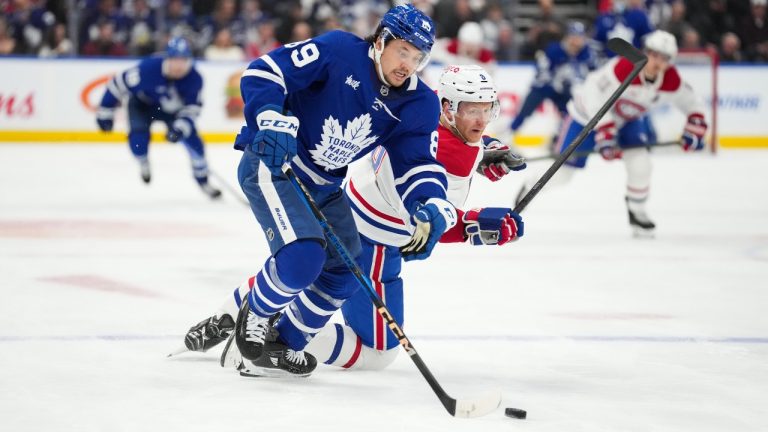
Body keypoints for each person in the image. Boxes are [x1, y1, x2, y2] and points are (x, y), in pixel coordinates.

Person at [179, 64, 527, 372]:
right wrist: (476, 226)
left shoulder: (420, 113)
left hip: (349, 210)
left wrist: (482, 152)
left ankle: (229, 316)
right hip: (376, 242)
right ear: (448, 109)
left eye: (487, 110)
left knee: (301, 267)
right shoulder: (443, 156)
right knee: (378, 352)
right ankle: (268, 339)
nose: (482, 121)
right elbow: (425, 226)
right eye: (471, 111)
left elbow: (446, 144)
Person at [201, 4, 456, 378]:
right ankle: (253, 315)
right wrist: (269, 117)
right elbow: (265, 70)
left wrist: (432, 202)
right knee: (304, 259)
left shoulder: (419, 102)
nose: (409, 64)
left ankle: (282, 343)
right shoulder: (339, 50)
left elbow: (417, 163)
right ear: (382, 40)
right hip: (277, 164)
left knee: (346, 270)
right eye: (403, 51)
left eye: (418, 57)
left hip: (325, 185)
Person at [515, 30, 708, 237]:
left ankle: (637, 213)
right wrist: (605, 134)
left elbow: (693, 103)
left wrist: (695, 127)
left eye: (664, 58)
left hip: (626, 121)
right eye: (653, 54)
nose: (657, 62)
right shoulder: (622, 67)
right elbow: (592, 95)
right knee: (563, 174)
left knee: (641, 163)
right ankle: (528, 188)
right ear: (646, 52)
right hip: (585, 118)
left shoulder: (671, 80)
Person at [96, 37, 222, 199]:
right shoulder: (148, 69)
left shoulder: (194, 78)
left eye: (183, 60)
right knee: (138, 139)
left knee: (195, 144)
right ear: (167, 58)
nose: (179, 65)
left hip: (173, 113)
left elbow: (192, 109)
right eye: (175, 59)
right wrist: (105, 112)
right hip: (143, 105)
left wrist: (179, 128)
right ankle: (143, 161)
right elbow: (118, 84)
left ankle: (204, 181)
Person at [510, 22, 598, 140]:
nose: (575, 41)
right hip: (544, 86)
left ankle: (561, 136)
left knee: (570, 112)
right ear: (567, 37)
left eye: (579, 37)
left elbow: (591, 73)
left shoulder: (587, 53)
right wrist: (555, 81)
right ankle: (511, 132)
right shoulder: (554, 49)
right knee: (526, 109)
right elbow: (541, 71)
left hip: (564, 90)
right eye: (573, 37)